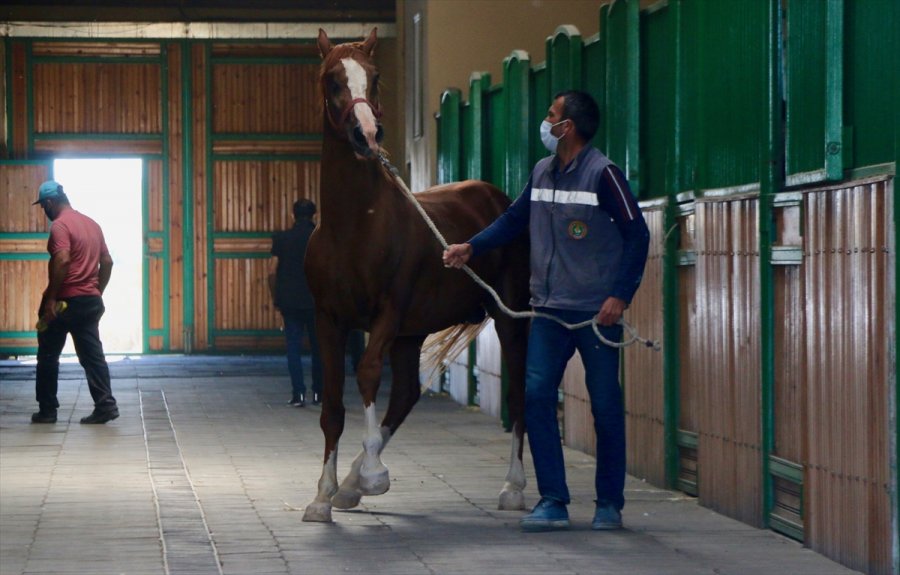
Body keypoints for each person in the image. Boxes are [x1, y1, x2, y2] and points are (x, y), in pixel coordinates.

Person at [443, 91, 650, 532]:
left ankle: (609, 502)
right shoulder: (542, 172)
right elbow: (515, 219)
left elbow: (638, 234)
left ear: (568, 127)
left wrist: (620, 295)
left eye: (551, 115)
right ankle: (553, 499)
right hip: (548, 311)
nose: (545, 120)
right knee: (536, 398)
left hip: (595, 314)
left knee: (606, 406)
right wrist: (471, 246)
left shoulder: (604, 175)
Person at [31, 180, 119, 425]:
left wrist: (51, 299)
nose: (44, 211)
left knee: (48, 355)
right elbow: (108, 262)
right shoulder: (92, 224)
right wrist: (96, 291)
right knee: (93, 356)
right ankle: (105, 405)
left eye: (43, 207)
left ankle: (47, 410)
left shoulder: (60, 225)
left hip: (65, 303)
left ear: (49, 203)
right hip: (89, 301)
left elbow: (62, 260)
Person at [269, 199, 322, 407]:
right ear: (314, 216)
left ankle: (298, 394)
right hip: (317, 301)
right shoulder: (321, 238)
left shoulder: (282, 239)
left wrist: (276, 298)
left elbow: (272, 272)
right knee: (319, 348)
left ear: (293, 215)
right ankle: (319, 393)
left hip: (290, 301)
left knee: (293, 346)